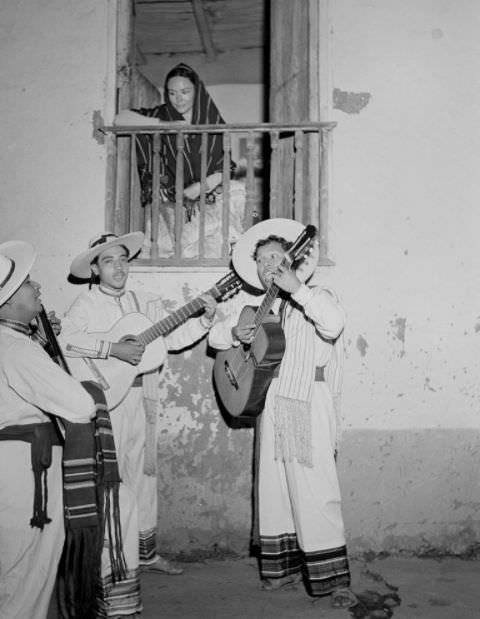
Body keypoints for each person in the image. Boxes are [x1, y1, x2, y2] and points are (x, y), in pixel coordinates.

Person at [59, 231, 218, 618]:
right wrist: (113, 348)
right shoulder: (85, 303)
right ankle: (113, 565)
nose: (119, 267)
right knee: (114, 484)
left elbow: (172, 338)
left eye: (123, 259)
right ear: (95, 269)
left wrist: (205, 319)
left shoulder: (143, 302)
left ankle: (143, 556)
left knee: (142, 477)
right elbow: (66, 341)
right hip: (104, 401)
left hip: (140, 397)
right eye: (109, 261)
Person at [208, 219, 358, 610]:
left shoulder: (318, 293)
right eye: (260, 260)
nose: (266, 264)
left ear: (293, 259)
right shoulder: (259, 307)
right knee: (275, 492)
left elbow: (334, 324)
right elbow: (216, 337)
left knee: (314, 489)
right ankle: (283, 568)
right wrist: (236, 334)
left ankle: (334, 580)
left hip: (306, 399)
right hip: (271, 402)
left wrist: (299, 290)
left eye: (274, 255)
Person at [0, 241, 97, 619]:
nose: (38, 288)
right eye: (29, 283)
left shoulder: (7, 340)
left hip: (20, 469)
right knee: (20, 581)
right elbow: (82, 406)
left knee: (29, 577)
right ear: (7, 302)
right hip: (21, 475)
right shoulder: (16, 350)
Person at [115, 63, 246, 259]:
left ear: (197, 90)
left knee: (234, 195)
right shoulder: (161, 114)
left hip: (206, 198)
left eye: (185, 92)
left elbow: (224, 167)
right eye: (172, 93)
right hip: (169, 201)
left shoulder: (213, 121)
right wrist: (165, 125)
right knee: (170, 252)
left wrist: (199, 188)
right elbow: (119, 120)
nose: (178, 99)